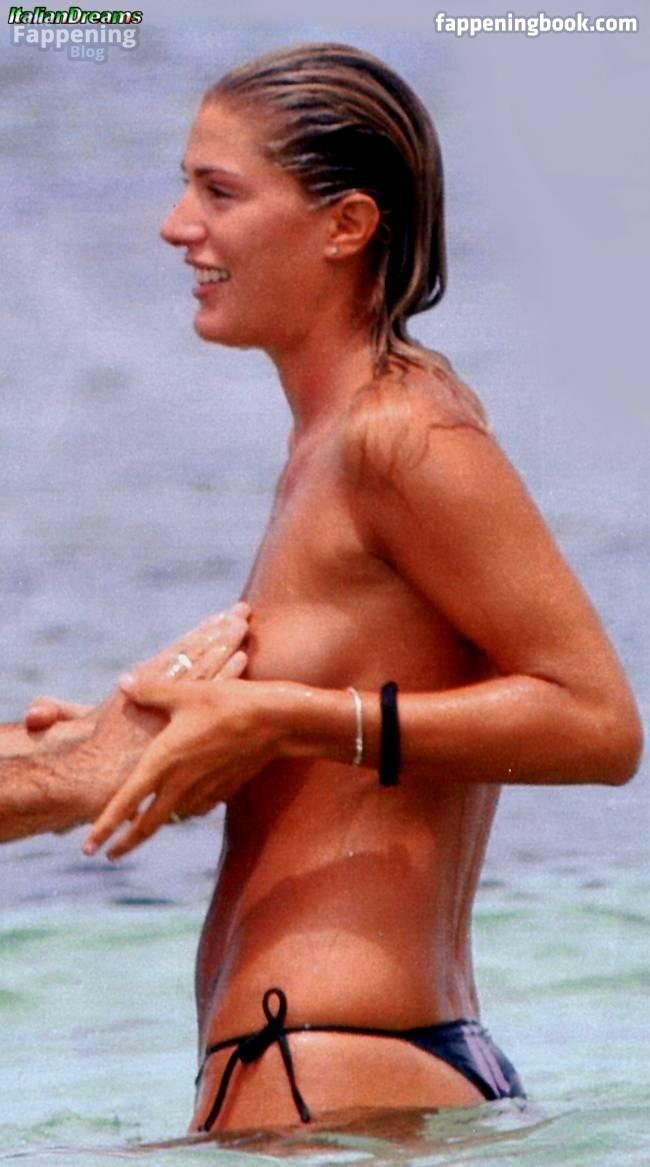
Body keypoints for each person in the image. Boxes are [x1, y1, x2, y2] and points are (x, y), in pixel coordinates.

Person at [4, 42, 642, 1134]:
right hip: (350, 1058)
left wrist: (279, 717)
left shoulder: (400, 435)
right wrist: (124, 742)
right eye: (184, 186)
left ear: (345, 225)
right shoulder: (336, 444)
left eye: (219, 192)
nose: (175, 226)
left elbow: (598, 723)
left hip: (318, 1065)